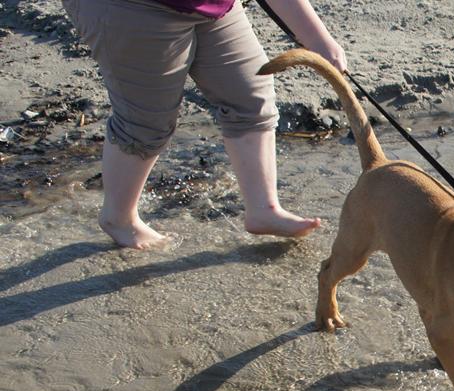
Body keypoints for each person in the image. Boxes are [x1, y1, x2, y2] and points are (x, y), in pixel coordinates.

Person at [61, 0, 347, 249]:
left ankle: (264, 209)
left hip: (211, 6)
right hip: (133, 7)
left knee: (249, 94)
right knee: (146, 122)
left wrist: (318, 39)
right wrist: (316, 38)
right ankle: (119, 218)